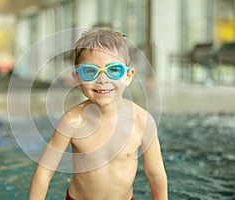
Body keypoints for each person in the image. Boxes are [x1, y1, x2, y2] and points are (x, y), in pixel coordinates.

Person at [29, 28, 167, 200]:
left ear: (128, 76)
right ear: (77, 79)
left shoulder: (142, 121)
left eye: (114, 70)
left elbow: (155, 174)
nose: (102, 80)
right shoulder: (73, 121)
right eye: (90, 71)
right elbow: (44, 172)